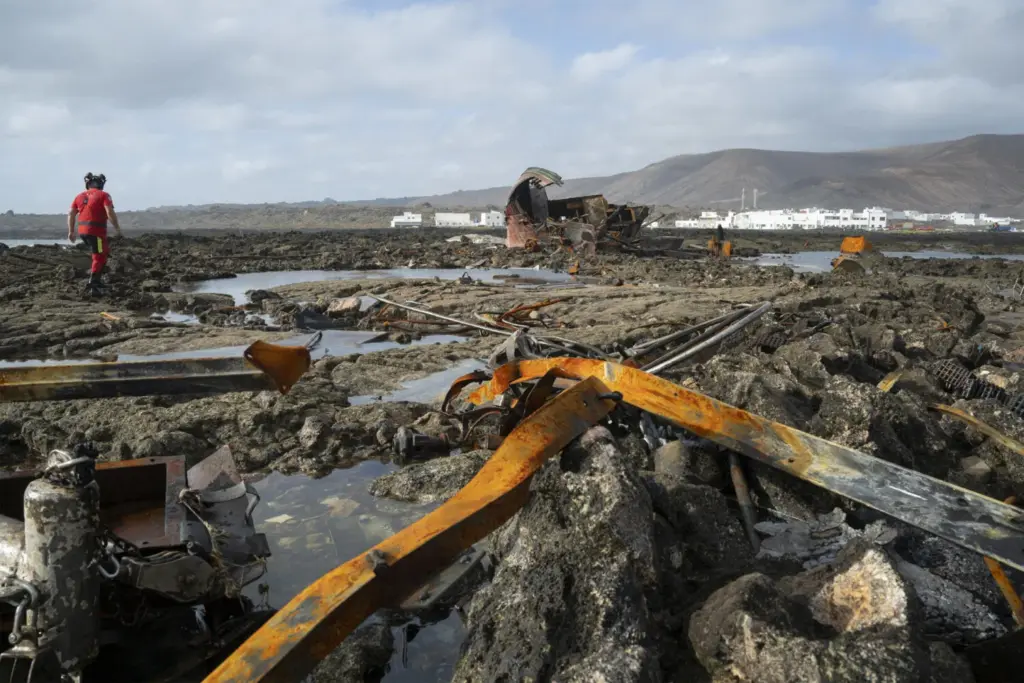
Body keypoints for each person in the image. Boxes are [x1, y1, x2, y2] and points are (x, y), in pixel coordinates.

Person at [67, 172, 122, 295]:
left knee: (102, 252)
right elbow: (110, 212)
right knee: (100, 255)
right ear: (101, 184)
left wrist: (71, 231)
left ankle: (96, 280)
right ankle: (93, 284)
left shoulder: (79, 196)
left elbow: (71, 214)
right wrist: (117, 228)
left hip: (83, 232)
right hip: (96, 232)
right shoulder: (104, 195)